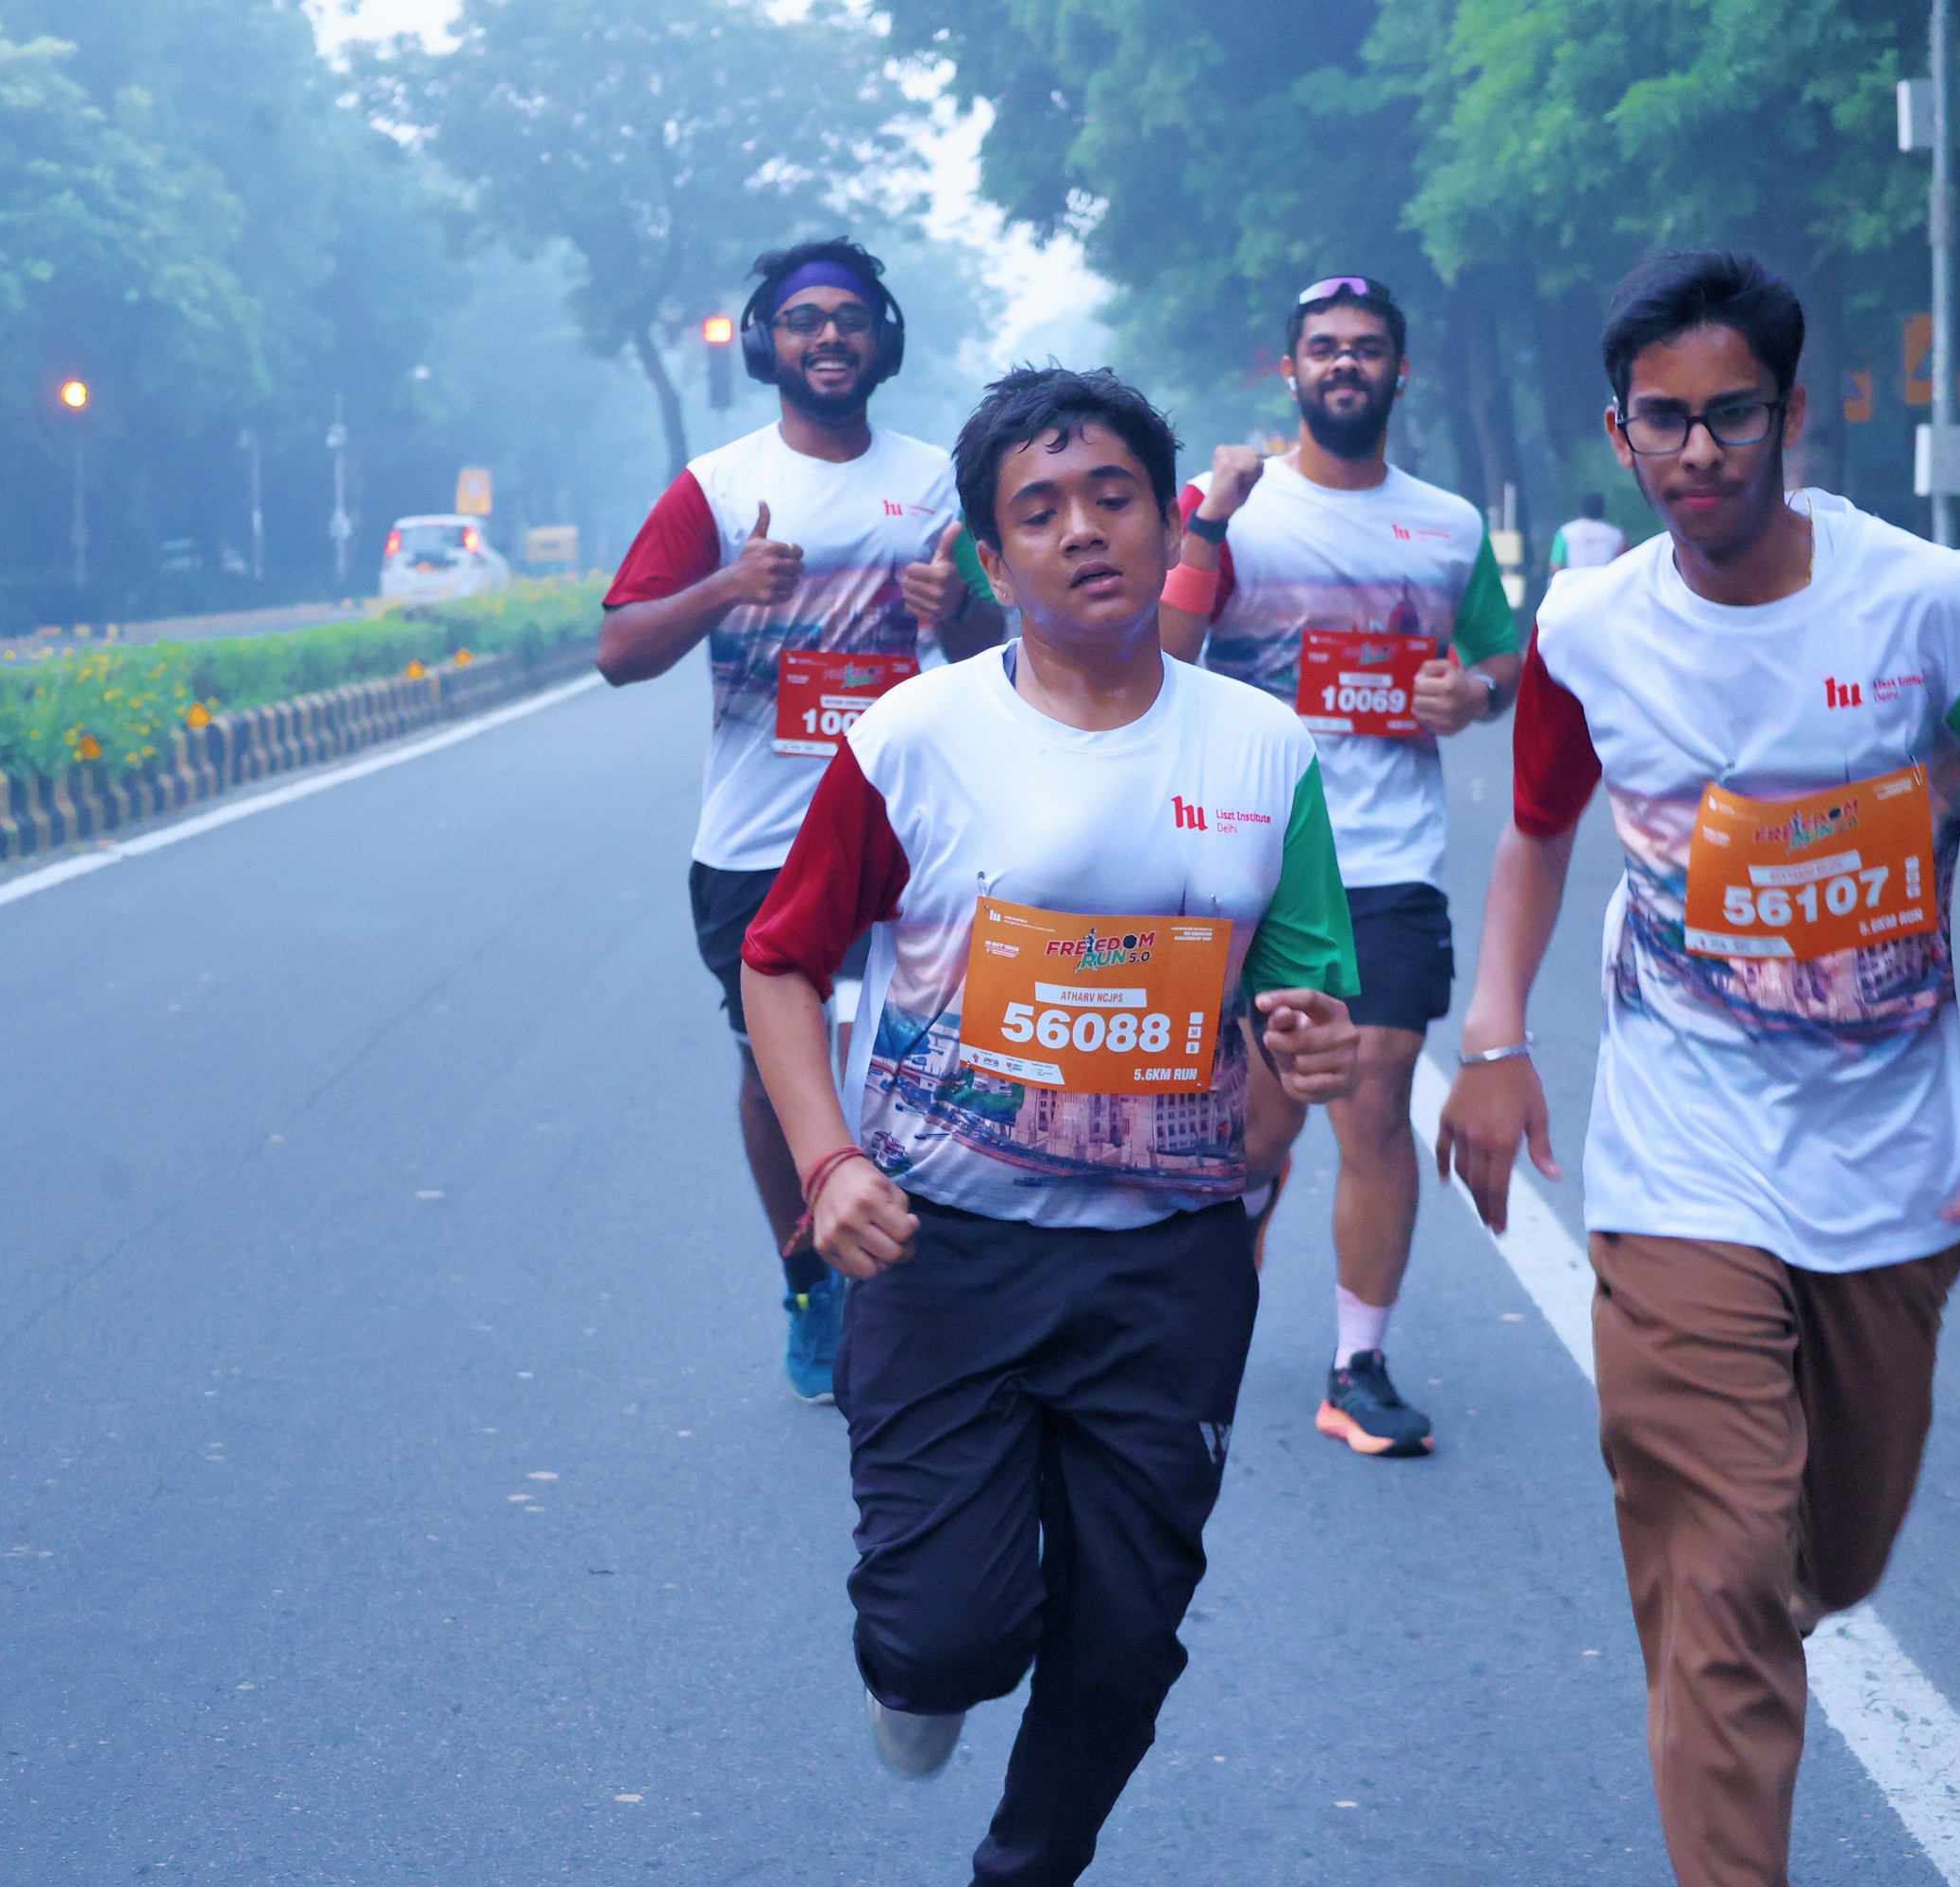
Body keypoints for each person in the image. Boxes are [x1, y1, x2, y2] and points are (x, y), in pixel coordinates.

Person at [1435, 251, 1960, 1887]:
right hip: (1680, 1161)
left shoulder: (1933, 606)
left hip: (1891, 1167)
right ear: (1619, 432)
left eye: (1731, 415)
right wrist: (1496, 1036)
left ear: (1792, 415)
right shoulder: (1591, 626)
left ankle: (1735, 1602)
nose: (1698, 452)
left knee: (1829, 1554)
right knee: (1729, 1568)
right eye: (1662, 421)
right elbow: (1535, 828)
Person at [739, 366, 1361, 1884]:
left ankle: (1025, 1871)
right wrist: (828, 1163)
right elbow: (781, 961)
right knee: (945, 1638)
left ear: (1167, 523)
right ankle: (924, 1666)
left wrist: (1307, 1058)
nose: (1083, 530)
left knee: (1126, 1637)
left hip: (1169, 1264)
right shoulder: (915, 736)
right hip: (945, 1250)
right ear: (992, 558)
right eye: (1039, 511)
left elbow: (1306, 1007)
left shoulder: (1264, 750)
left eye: (1112, 497)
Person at [598, 237, 1000, 1402]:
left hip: (914, 832)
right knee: (779, 1064)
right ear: (767, 343)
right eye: (804, 318)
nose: (829, 335)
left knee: (917, 1054)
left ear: (883, 339)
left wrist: (955, 606)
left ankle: (919, 1276)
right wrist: (729, 585)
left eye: (850, 317)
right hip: (758, 842)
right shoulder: (718, 489)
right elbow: (619, 650)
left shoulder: (941, 483)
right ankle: (812, 1281)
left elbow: (1008, 652)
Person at [1158, 274, 1520, 1459]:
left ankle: (1356, 1366)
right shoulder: (1234, 506)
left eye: (1367, 347)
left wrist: (1474, 694)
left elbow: (1502, 656)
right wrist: (1208, 522)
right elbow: (1162, 651)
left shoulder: (1448, 523)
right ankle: (1204, 1307)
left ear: (1399, 371)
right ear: (1292, 371)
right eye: (1324, 347)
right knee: (1259, 1130)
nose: (1345, 363)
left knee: (1373, 1098)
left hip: (1389, 860)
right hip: (1251, 855)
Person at [1550, 492, 1629, 572]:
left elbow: (1556, 565)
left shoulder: (1565, 532)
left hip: (1577, 579)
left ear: (1582, 509)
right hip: (1607, 579)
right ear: (1602, 509)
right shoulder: (1616, 534)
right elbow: (1626, 564)